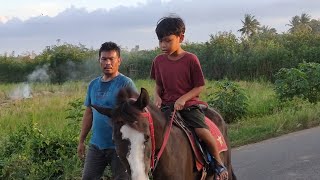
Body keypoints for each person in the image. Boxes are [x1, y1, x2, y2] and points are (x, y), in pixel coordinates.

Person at [150, 15, 228, 180]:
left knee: (202, 131)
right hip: (165, 106)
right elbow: (158, 85)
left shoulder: (191, 59)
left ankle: (218, 163)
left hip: (188, 106)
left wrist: (183, 99)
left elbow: (199, 86)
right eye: (160, 41)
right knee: (148, 131)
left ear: (181, 37)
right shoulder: (158, 61)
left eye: (168, 40)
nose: (163, 45)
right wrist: (157, 96)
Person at [77, 42, 136, 180]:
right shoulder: (93, 84)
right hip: (96, 145)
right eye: (104, 59)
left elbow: (135, 115)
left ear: (119, 61)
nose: (107, 62)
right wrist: (81, 141)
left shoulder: (126, 84)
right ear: (99, 61)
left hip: (119, 147)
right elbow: (89, 113)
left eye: (111, 59)